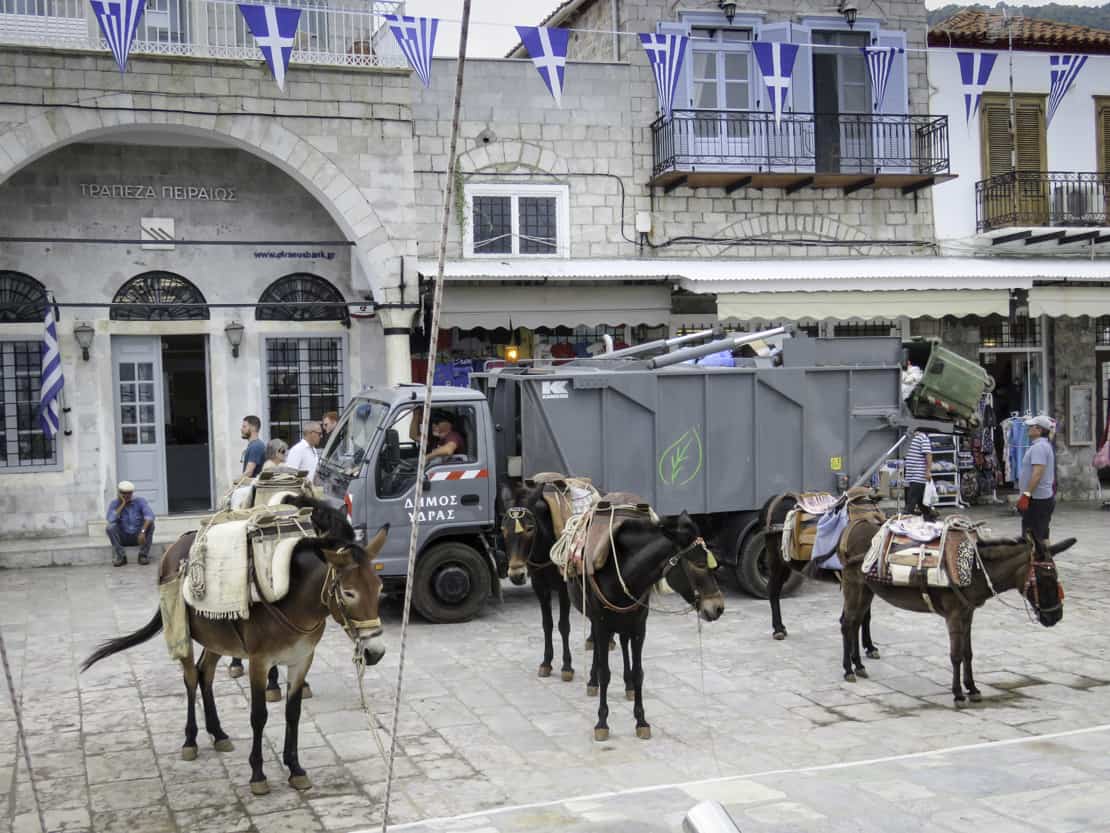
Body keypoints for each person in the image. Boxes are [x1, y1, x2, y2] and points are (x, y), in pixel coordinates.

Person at [1018, 415, 1056, 543]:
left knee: (1033, 538)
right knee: (1042, 535)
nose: (1028, 428)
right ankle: (1047, 560)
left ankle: (1038, 561)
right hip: (1041, 499)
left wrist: (1026, 495)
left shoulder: (1039, 447)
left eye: (1031, 426)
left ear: (1039, 430)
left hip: (1037, 500)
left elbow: (1037, 473)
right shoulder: (1042, 445)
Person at [106, 480, 155, 567]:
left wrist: (143, 531)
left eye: (129, 493)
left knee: (150, 525)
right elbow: (111, 519)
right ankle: (121, 556)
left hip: (138, 536)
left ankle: (143, 555)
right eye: (124, 493)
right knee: (110, 527)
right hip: (123, 537)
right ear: (119, 493)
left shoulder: (140, 501)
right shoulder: (114, 504)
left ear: (132, 493)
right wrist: (122, 504)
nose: (127, 495)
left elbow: (150, 516)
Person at [903, 429, 933, 517]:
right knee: (922, 504)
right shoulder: (909, 437)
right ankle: (930, 518)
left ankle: (904, 522)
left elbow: (928, 455)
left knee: (910, 505)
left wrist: (928, 471)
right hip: (910, 477)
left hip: (918, 476)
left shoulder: (922, 438)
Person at [239, 415, 266, 480]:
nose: (241, 429)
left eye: (244, 426)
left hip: (253, 488)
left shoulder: (256, 446)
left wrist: (235, 484)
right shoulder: (254, 445)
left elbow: (249, 472)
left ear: (253, 428)